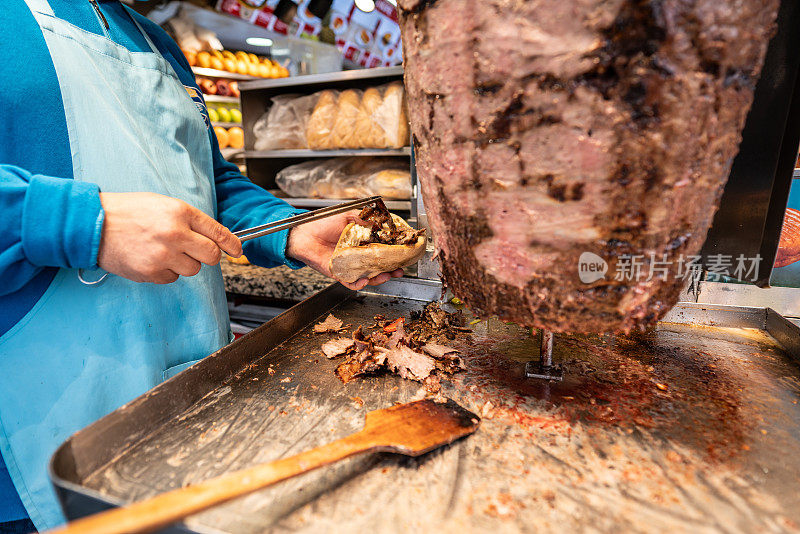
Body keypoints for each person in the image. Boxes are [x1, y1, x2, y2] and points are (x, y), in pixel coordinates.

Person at [0, 1, 401, 531]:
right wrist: (80, 221)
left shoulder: (154, 40)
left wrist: (288, 227)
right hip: (37, 438)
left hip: (189, 397)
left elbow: (208, 177)